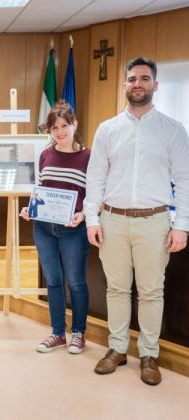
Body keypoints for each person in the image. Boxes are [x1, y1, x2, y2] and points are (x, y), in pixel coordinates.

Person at [85, 57, 189, 386]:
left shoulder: (173, 130)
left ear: (155, 85)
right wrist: (91, 218)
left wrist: (181, 224)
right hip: (112, 219)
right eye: (132, 79)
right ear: (125, 85)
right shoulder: (108, 129)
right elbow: (95, 178)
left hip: (154, 222)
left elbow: (185, 180)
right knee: (115, 288)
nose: (137, 84)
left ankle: (148, 355)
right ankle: (117, 349)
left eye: (144, 78)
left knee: (150, 291)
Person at [20, 101, 90, 354]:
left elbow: (93, 195)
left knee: (77, 282)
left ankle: (79, 333)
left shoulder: (88, 156)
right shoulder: (45, 154)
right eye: (54, 127)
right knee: (53, 281)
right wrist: (30, 207)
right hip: (43, 228)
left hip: (73, 230)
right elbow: (41, 189)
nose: (60, 132)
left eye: (64, 126)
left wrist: (83, 214)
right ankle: (58, 333)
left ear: (74, 125)